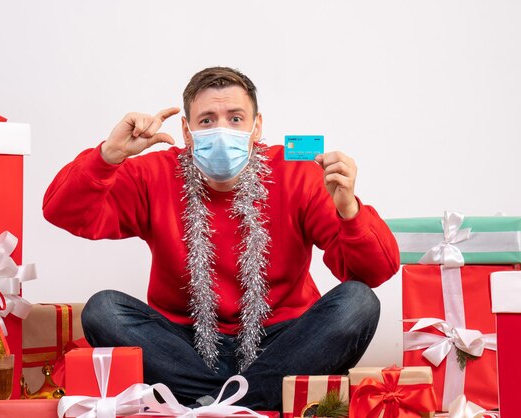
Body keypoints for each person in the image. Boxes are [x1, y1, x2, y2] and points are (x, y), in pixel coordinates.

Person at [43, 66, 400, 411]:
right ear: (187, 131)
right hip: (185, 347)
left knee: (359, 301)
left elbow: (375, 272)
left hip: (282, 343)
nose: (222, 130)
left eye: (235, 118)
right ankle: (249, 402)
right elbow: (63, 212)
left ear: (257, 126)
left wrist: (349, 210)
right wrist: (108, 156)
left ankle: (212, 406)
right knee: (103, 309)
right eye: (207, 120)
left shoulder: (297, 173)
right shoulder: (154, 174)